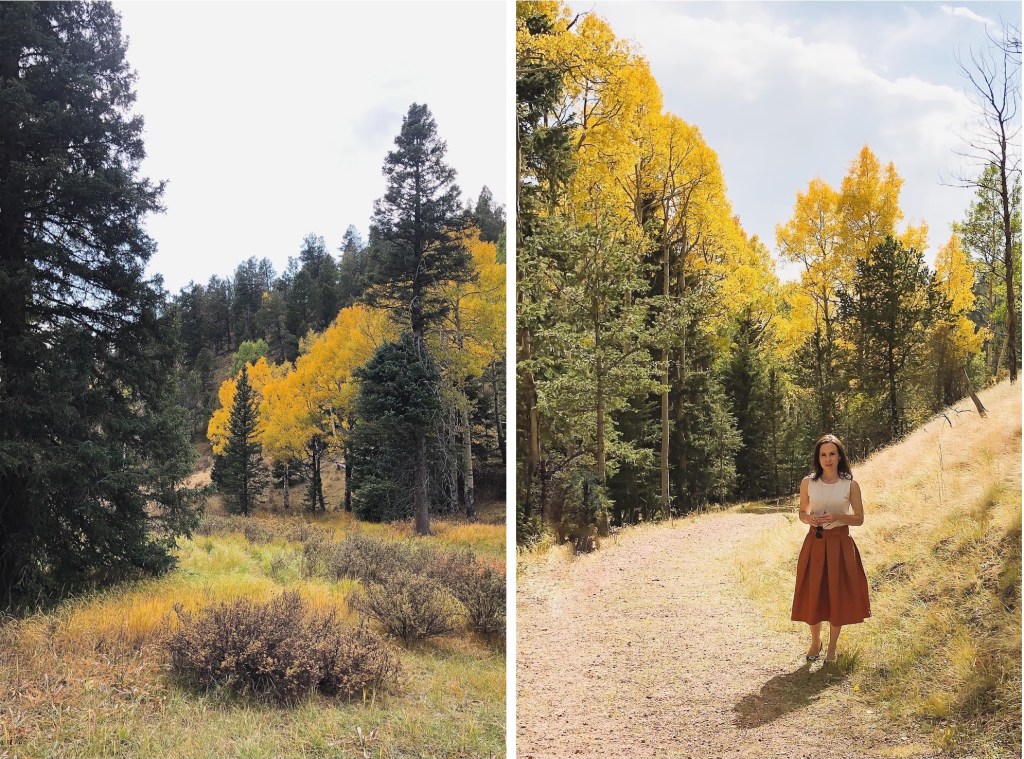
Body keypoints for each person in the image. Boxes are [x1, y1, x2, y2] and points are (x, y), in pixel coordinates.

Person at [791, 433, 870, 664]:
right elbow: (802, 513)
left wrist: (837, 516)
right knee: (813, 593)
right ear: (818, 458)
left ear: (839, 456)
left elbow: (859, 519)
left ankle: (832, 647)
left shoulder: (850, 485)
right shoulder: (808, 483)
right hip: (814, 543)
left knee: (837, 594)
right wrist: (809, 519)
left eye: (832, 454)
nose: (828, 459)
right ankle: (815, 641)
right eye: (823, 454)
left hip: (840, 544)